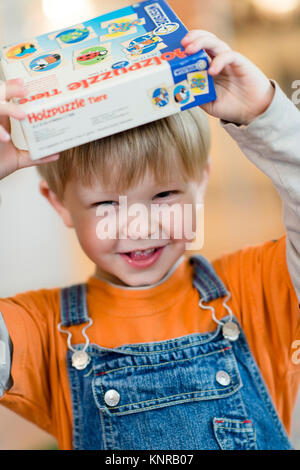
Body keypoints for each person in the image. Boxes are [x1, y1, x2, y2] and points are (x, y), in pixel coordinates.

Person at [0, 30, 299, 450]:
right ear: (60, 204)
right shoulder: (37, 331)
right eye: (106, 204)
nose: (139, 227)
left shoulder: (262, 289)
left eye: (164, 195)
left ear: (202, 183)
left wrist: (266, 116)